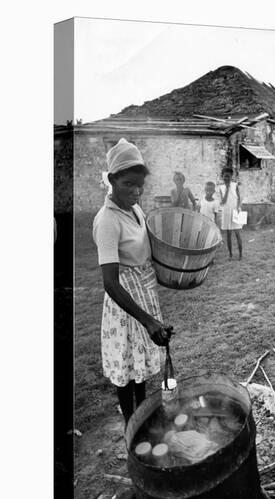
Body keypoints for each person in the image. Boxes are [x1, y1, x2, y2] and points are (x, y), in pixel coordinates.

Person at [93, 138, 173, 426]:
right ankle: (131, 424)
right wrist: (147, 321)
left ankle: (144, 418)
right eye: (129, 184)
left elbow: (144, 251)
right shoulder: (107, 221)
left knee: (139, 366)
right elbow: (110, 283)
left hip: (143, 295)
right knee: (126, 370)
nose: (137, 192)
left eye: (140, 185)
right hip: (125, 306)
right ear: (112, 180)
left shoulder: (134, 209)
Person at [219, 167, 243, 260]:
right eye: (225, 176)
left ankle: (240, 254)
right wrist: (227, 189)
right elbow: (223, 201)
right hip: (226, 212)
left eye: (228, 176)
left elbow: (239, 198)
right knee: (228, 234)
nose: (226, 178)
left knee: (237, 233)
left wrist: (237, 208)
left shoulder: (235, 185)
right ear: (222, 176)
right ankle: (230, 254)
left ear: (231, 176)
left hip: (235, 211)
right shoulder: (221, 188)